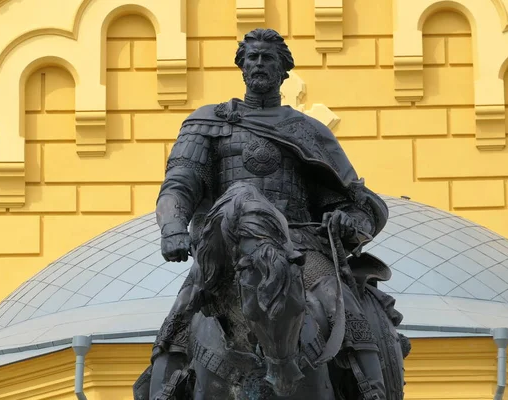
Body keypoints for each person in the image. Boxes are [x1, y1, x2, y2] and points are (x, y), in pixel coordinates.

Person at [147, 28, 390, 400]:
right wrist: (173, 228)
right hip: (227, 242)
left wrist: (345, 218)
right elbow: (180, 182)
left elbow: (350, 198)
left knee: (336, 298)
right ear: (241, 66)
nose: (259, 64)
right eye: (253, 57)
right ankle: (163, 388)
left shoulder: (307, 131)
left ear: (283, 70)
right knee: (180, 316)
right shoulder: (210, 122)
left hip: (298, 243)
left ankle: (371, 386)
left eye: (268, 58)